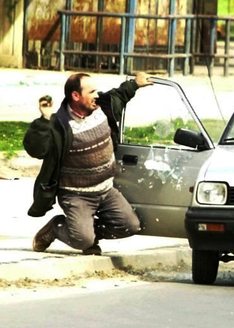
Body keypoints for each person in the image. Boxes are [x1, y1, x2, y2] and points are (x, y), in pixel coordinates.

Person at [25, 72, 153, 255]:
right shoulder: (60, 125)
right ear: (76, 96)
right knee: (81, 239)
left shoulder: (103, 107)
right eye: (92, 91)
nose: (97, 95)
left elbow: (119, 95)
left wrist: (136, 83)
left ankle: (89, 235)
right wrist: (44, 120)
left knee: (129, 226)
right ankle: (56, 228)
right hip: (76, 195)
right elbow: (36, 149)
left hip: (106, 190)